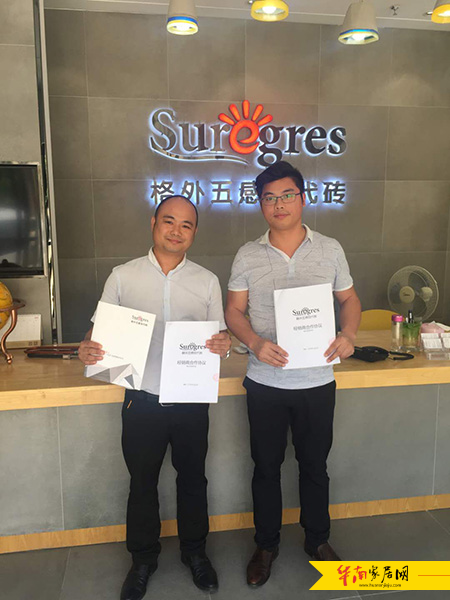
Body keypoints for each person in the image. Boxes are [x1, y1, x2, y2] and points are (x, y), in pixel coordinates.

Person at [78, 195, 231, 600]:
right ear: (153, 223)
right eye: (169, 221)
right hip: (141, 399)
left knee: (193, 480)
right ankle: (143, 560)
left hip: (191, 401)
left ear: (194, 232)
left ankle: (195, 553)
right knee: (142, 483)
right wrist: (87, 347)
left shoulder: (206, 281)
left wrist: (224, 344)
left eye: (186, 225)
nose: (176, 231)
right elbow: (99, 332)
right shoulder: (123, 276)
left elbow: (218, 337)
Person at [225, 161, 361, 587]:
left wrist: (349, 334)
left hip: (317, 382)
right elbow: (234, 311)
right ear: (260, 205)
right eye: (269, 198)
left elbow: (350, 299)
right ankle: (266, 545)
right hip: (265, 382)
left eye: (286, 195)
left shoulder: (330, 249)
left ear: (303, 198)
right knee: (265, 467)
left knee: (315, 465)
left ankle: (317, 540)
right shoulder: (247, 254)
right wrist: (254, 342)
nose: (278, 204)